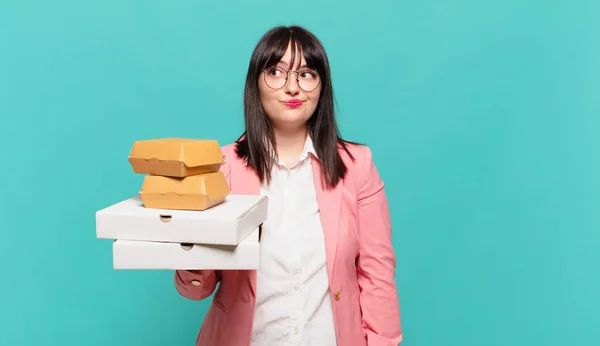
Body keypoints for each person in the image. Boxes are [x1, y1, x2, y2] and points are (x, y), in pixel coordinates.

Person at [174, 25, 402, 346]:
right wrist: (189, 252)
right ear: (256, 83)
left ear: (322, 86)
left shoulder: (357, 166)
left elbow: (377, 275)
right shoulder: (220, 167)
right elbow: (195, 289)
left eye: (307, 74)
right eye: (276, 72)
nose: (292, 87)